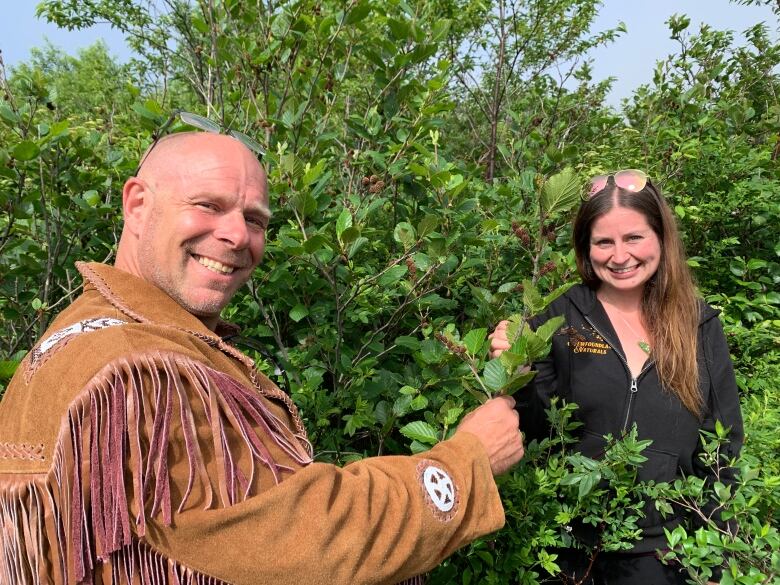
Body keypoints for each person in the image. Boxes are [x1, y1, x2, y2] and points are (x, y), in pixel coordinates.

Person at [0, 131, 525, 585]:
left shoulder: (77, 333)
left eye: (255, 218)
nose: (235, 235)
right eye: (207, 205)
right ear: (137, 204)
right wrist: (467, 460)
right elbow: (311, 542)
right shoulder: (147, 371)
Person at [489, 170, 743, 585]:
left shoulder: (698, 324)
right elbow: (534, 433)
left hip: (664, 553)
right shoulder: (559, 318)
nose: (619, 256)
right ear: (586, 249)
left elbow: (723, 444)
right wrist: (515, 371)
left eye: (634, 238)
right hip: (565, 548)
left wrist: (720, 549)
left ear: (661, 237)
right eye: (604, 242)